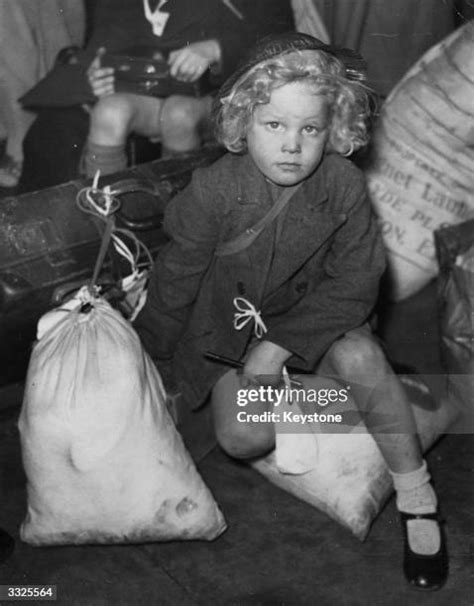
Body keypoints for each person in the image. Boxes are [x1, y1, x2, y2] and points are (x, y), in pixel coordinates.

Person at [134, 32, 448, 591]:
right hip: (224, 343)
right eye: (273, 125)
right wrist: (151, 360)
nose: (291, 146)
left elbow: (357, 282)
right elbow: (175, 282)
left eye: (310, 129)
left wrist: (277, 347)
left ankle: (417, 496)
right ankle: (367, 402)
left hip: (316, 331)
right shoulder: (213, 191)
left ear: (334, 129)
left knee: (359, 353)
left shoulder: (344, 186)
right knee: (241, 437)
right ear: (242, 123)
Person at [80, 0, 294, 177]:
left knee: (178, 113)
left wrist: (217, 49)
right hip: (154, 91)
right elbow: (105, 44)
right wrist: (102, 74)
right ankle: (101, 213)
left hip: (227, 96)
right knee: (109, 112)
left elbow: (281, 37)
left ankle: (182, 217)